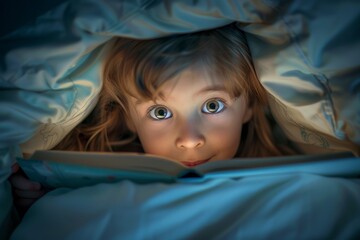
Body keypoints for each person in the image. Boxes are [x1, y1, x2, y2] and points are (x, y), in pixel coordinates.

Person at [10, 23, 293, 215]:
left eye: (212, 106)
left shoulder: (290, 180)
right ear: (130, 120)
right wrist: (36, 202)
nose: (190, 139)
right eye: (160, 113)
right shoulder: (90, 186)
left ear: (250, 106)